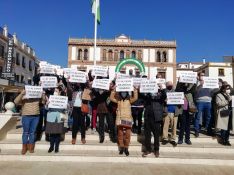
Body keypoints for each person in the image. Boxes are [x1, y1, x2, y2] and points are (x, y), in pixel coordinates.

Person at [14, 88, 46, 155]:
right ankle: (24, 147)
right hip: (26, 116)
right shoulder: (24, 97)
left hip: (36, 116)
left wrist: (43, 94)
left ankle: (31, 146)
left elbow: (43, 102)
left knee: (32, 132)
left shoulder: (37, 96)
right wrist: (22, 93)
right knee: (26, 132)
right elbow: (16, 101)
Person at [110, 88, 138, 156]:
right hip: (120, 118)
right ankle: (121, 147)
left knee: (128, 135)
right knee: (120, 134)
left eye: (125, 92)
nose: (123, 93)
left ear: (127, 92)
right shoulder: (118, 99)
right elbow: (111, 98)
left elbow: (135, 98)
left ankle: (126, 148)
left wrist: (135, 90)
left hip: (128, 119)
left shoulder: (129, 99)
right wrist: (113, 90)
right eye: (122, 92)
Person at [142, 85, 166, 158]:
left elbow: (164, 96)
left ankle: (156, 150)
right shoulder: (148, 96)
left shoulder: (160, 96)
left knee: (156, 135)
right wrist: (145, 89)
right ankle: (148, 149)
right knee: (147, 135)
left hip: (157, 118)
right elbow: (143, 96)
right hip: (147, 118)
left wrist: (162, 89)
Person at [45, 86, 67, 153]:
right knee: (51, 134)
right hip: (51, 117)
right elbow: (46, 109)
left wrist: (66, 106)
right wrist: (46, 104)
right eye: (54, 91)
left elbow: (66, 110)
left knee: (58, 134)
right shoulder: (50, 98)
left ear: (60, 92)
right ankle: (51, 147)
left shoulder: (63, 99)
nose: (55, 92)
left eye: (56, 91)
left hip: (60, 117)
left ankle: (56, 147)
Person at [194, 72, 213, 137]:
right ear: (198, 76)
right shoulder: (196, 83)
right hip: (200, 101)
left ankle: (208, 130)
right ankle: (197, 130)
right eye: (201, 75)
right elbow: (195, 91)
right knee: (198, 116)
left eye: (204, 75)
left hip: (208, 101)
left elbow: (212, 91)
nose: (203, 76)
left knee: (209, 117)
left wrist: (215, 86)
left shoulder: (208, 82)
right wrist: (201, 85)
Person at [162, 81, 178, 146]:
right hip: (167, 111)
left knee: (174, 126)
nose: (170, 85)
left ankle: (173, 139)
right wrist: (164, 100)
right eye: (168, 85)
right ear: (166, 85)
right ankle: (165, 138)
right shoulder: (163, 92)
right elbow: (161, 100)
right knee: (165, 126)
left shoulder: (176, 92)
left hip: (174, 111)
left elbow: (179, 100)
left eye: (171, 84)